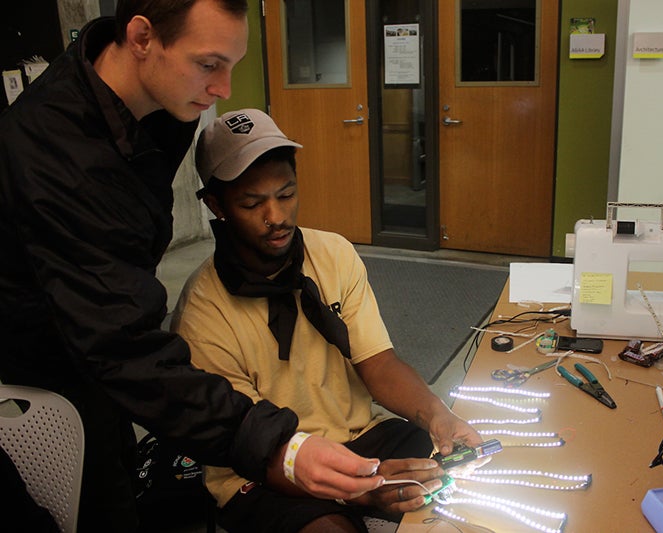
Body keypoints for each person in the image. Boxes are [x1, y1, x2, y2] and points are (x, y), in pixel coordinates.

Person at [0, 2, 387, 531]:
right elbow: (120, 345)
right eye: (209, 64)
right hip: (43, 355)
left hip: (97, 325)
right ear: (140, 38)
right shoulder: (61, 155)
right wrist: (280, 448)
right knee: (99, 502)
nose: (224, 88)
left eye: (233, 63)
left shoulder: (153, 102)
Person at [171, 108, 482, 532]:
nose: (276, 217)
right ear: (215, 205)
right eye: (251, 203)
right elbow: (248, 440)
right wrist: (354, 489)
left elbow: (377, 362)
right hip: (265, 464)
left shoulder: (333, 255)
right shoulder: (202, 312)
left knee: (444, 474)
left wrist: (436, 414)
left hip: (355, 437)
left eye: (286, 194)